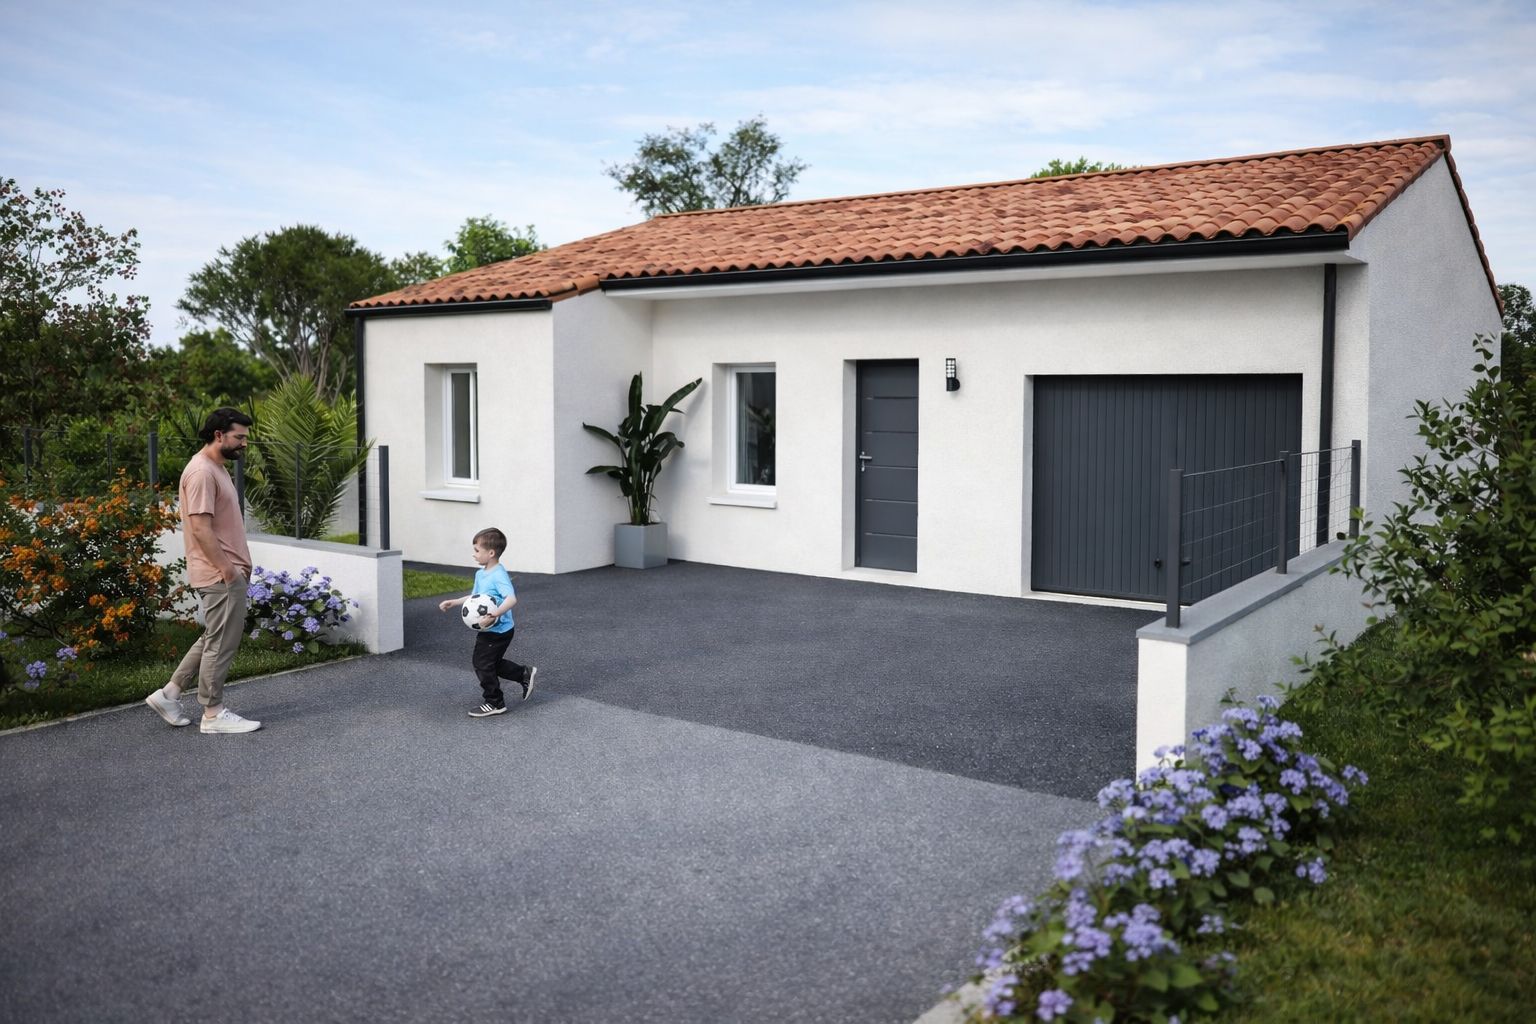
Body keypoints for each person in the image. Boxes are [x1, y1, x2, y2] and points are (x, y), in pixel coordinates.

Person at [144, 407, 262, 734]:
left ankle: (169, 694)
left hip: (225, 573)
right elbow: (200, 528)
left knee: (214, 637)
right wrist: (228, 570)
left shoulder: (216, 469)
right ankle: (213, 714)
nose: (244, 444)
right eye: (239, 437)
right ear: (218, 435)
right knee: (221, 644)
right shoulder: (201, 473)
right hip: (219, 575)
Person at [439, 527, 536, 718]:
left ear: (491, 553)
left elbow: (511, 599)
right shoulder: (480, 574)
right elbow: (476, 597)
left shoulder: (499, 575)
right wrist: (455, 601)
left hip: (499, 631)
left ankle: (494, 702)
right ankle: (522, 674)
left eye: (477, 550)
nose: (474, 554)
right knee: (490, 663)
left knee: (482, 663)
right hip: (488, 629)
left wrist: (495, 614)